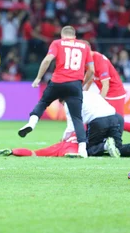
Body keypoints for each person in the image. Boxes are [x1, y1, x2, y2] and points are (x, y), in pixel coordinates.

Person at [18, 26, 94, 158]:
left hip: (58, 81)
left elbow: (47, 60)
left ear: (62, 35)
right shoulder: (84, 46)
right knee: (77, 118)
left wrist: (38, 78)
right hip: (75, 84)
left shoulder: (57, 43)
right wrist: (81, 82)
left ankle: (32, 123)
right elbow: (91, 70)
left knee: (43, 102)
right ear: (74, 36)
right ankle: (83, 149)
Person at [0, 91, 130, 158]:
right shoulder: (87, 93)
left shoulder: (70, 103)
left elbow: (72, 126)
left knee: (88, 149)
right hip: (116, 117)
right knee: (116, 147)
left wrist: (63, 139)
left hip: (99, 121)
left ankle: (103, 146)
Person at [88, 50, 130, 137]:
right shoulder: (89, 61)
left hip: (115, 93)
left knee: (118, 123)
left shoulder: (99, 60)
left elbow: (106, 84)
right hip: (106, 92)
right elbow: (90, 77)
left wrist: (99, 101)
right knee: (99, 120)